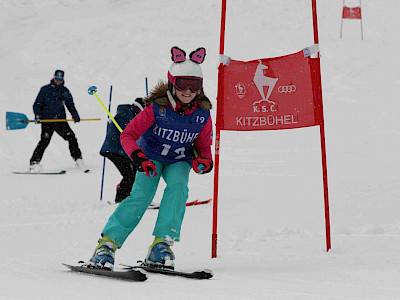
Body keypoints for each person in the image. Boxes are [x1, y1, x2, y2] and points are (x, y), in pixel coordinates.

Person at [85, 46, 213, 271]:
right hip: (150, 157)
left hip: (179, 159)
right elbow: (128, 135)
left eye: (195, 85)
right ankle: (107, 245)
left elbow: (203, 145)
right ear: (172, 83)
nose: (188, 90)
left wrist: (204, 160)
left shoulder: (202, 114)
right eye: (183, 84)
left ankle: (161, 245)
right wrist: (138, 157)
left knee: (178, 189)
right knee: (142, 196)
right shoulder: (157, 109)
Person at [29, 70, 85, 172]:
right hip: (47, 122)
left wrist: (75, 115)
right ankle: (34, 163)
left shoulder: (65, 91)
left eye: (60, 79)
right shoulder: (45, 90)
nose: (58, 81)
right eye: (57, 79)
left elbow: (70, 105)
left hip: (60, 121)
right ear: (53, 77)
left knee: (71, 138)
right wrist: (38, 115)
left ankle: (78, 159)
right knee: (44, 141)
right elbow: (37, 104)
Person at [99, 98, 145, 203]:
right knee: (130, 175)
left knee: (134, 172)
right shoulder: (127, 113)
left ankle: (127, 195)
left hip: (118, 149)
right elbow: (128, 130)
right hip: (116, 150)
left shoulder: (129, 112)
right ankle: (121, 199)